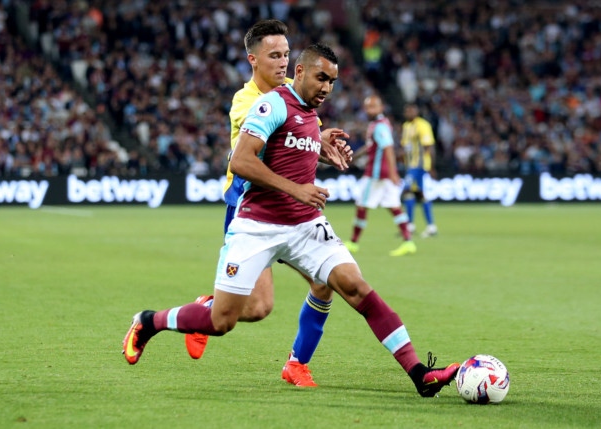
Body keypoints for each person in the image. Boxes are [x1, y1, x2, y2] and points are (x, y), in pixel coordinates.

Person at [123, 43, 460, 398]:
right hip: (257, 226)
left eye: (332, 81)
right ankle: (149, 321)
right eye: (321, 78)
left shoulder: (311, 116)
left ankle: (419, 373)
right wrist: (297, 189)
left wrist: (322, 147)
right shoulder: (271, 104)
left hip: (304, 226)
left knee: (354, 286)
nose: (327, 88)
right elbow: (241, 161)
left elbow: (293, 148)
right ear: (298, 72)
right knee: (223, 321)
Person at [183, 19, 351, 388]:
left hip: (294, 213)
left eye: (287, 55)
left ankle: (296, 364)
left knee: (326, 282)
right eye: (274, 55)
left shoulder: (296, 94)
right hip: (253, 212)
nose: (283, 62)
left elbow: (300, 140)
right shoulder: (247, 103)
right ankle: (206, 309)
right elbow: (266, 143)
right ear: (253, 60)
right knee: (258, 308)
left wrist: (324, 145)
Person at [344, 95, 416, 257]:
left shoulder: (380, 126)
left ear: (381, 108)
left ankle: (354, 242)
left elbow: (389, 148)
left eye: (373, 107)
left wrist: (393, 173)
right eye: (368, 107)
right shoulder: (377, 124)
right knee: (394, 206)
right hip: (384, 174)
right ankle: (408, 241)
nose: (370, 110)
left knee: (362, 205)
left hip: (376, 174)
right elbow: (371, 147)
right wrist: (354, 156)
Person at [400, 104, 438, 238]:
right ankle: (428, 226)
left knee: (406, 190)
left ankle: (411, 225)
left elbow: (429, 147)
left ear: (416, 111)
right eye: (407, 110)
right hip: (410, 166)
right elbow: (406, 148)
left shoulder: (423, 125)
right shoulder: (406, 126)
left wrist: (431, 167)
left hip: (419, 166)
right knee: (417, 194)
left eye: (411, 110)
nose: (408, 112)